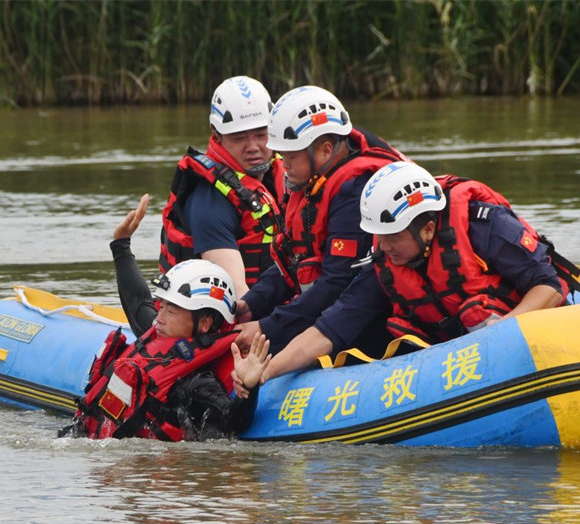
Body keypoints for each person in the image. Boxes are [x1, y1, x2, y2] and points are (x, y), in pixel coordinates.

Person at [249, 161, 575, 384]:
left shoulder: (483, 228)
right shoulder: (385, 264)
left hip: (523, 336)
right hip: (458, 353)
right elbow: (327, 331)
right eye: (380, 236)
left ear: (429, 229)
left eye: (393, 237)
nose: (384, 246)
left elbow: (548, 286)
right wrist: (265, 371)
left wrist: (503, 331)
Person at [60, 194, 270, 441]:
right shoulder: (159, 335)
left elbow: (233, 421)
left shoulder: (197, 382)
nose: (158, 317)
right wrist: (121, 244)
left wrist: (249, 388)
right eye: (162, 306)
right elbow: (138, 301)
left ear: (204, 323)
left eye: (171, 310)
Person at [235, 85, 407, 354]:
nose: (283, 164)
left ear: (325, 151)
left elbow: (336, 283)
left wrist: (265, 327)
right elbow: (292, 260)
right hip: (332, 308)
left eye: (291, 156)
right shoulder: (308, 183)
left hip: (373, 320)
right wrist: (250, 304)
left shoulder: (356, 192)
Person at [160, 75, 285, 298]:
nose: (253, 147)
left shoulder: (290, 173)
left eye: (261, 134)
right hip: (222, 319)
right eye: (239, 138)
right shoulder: (210, 202)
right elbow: (237, 295)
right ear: (216, 133)